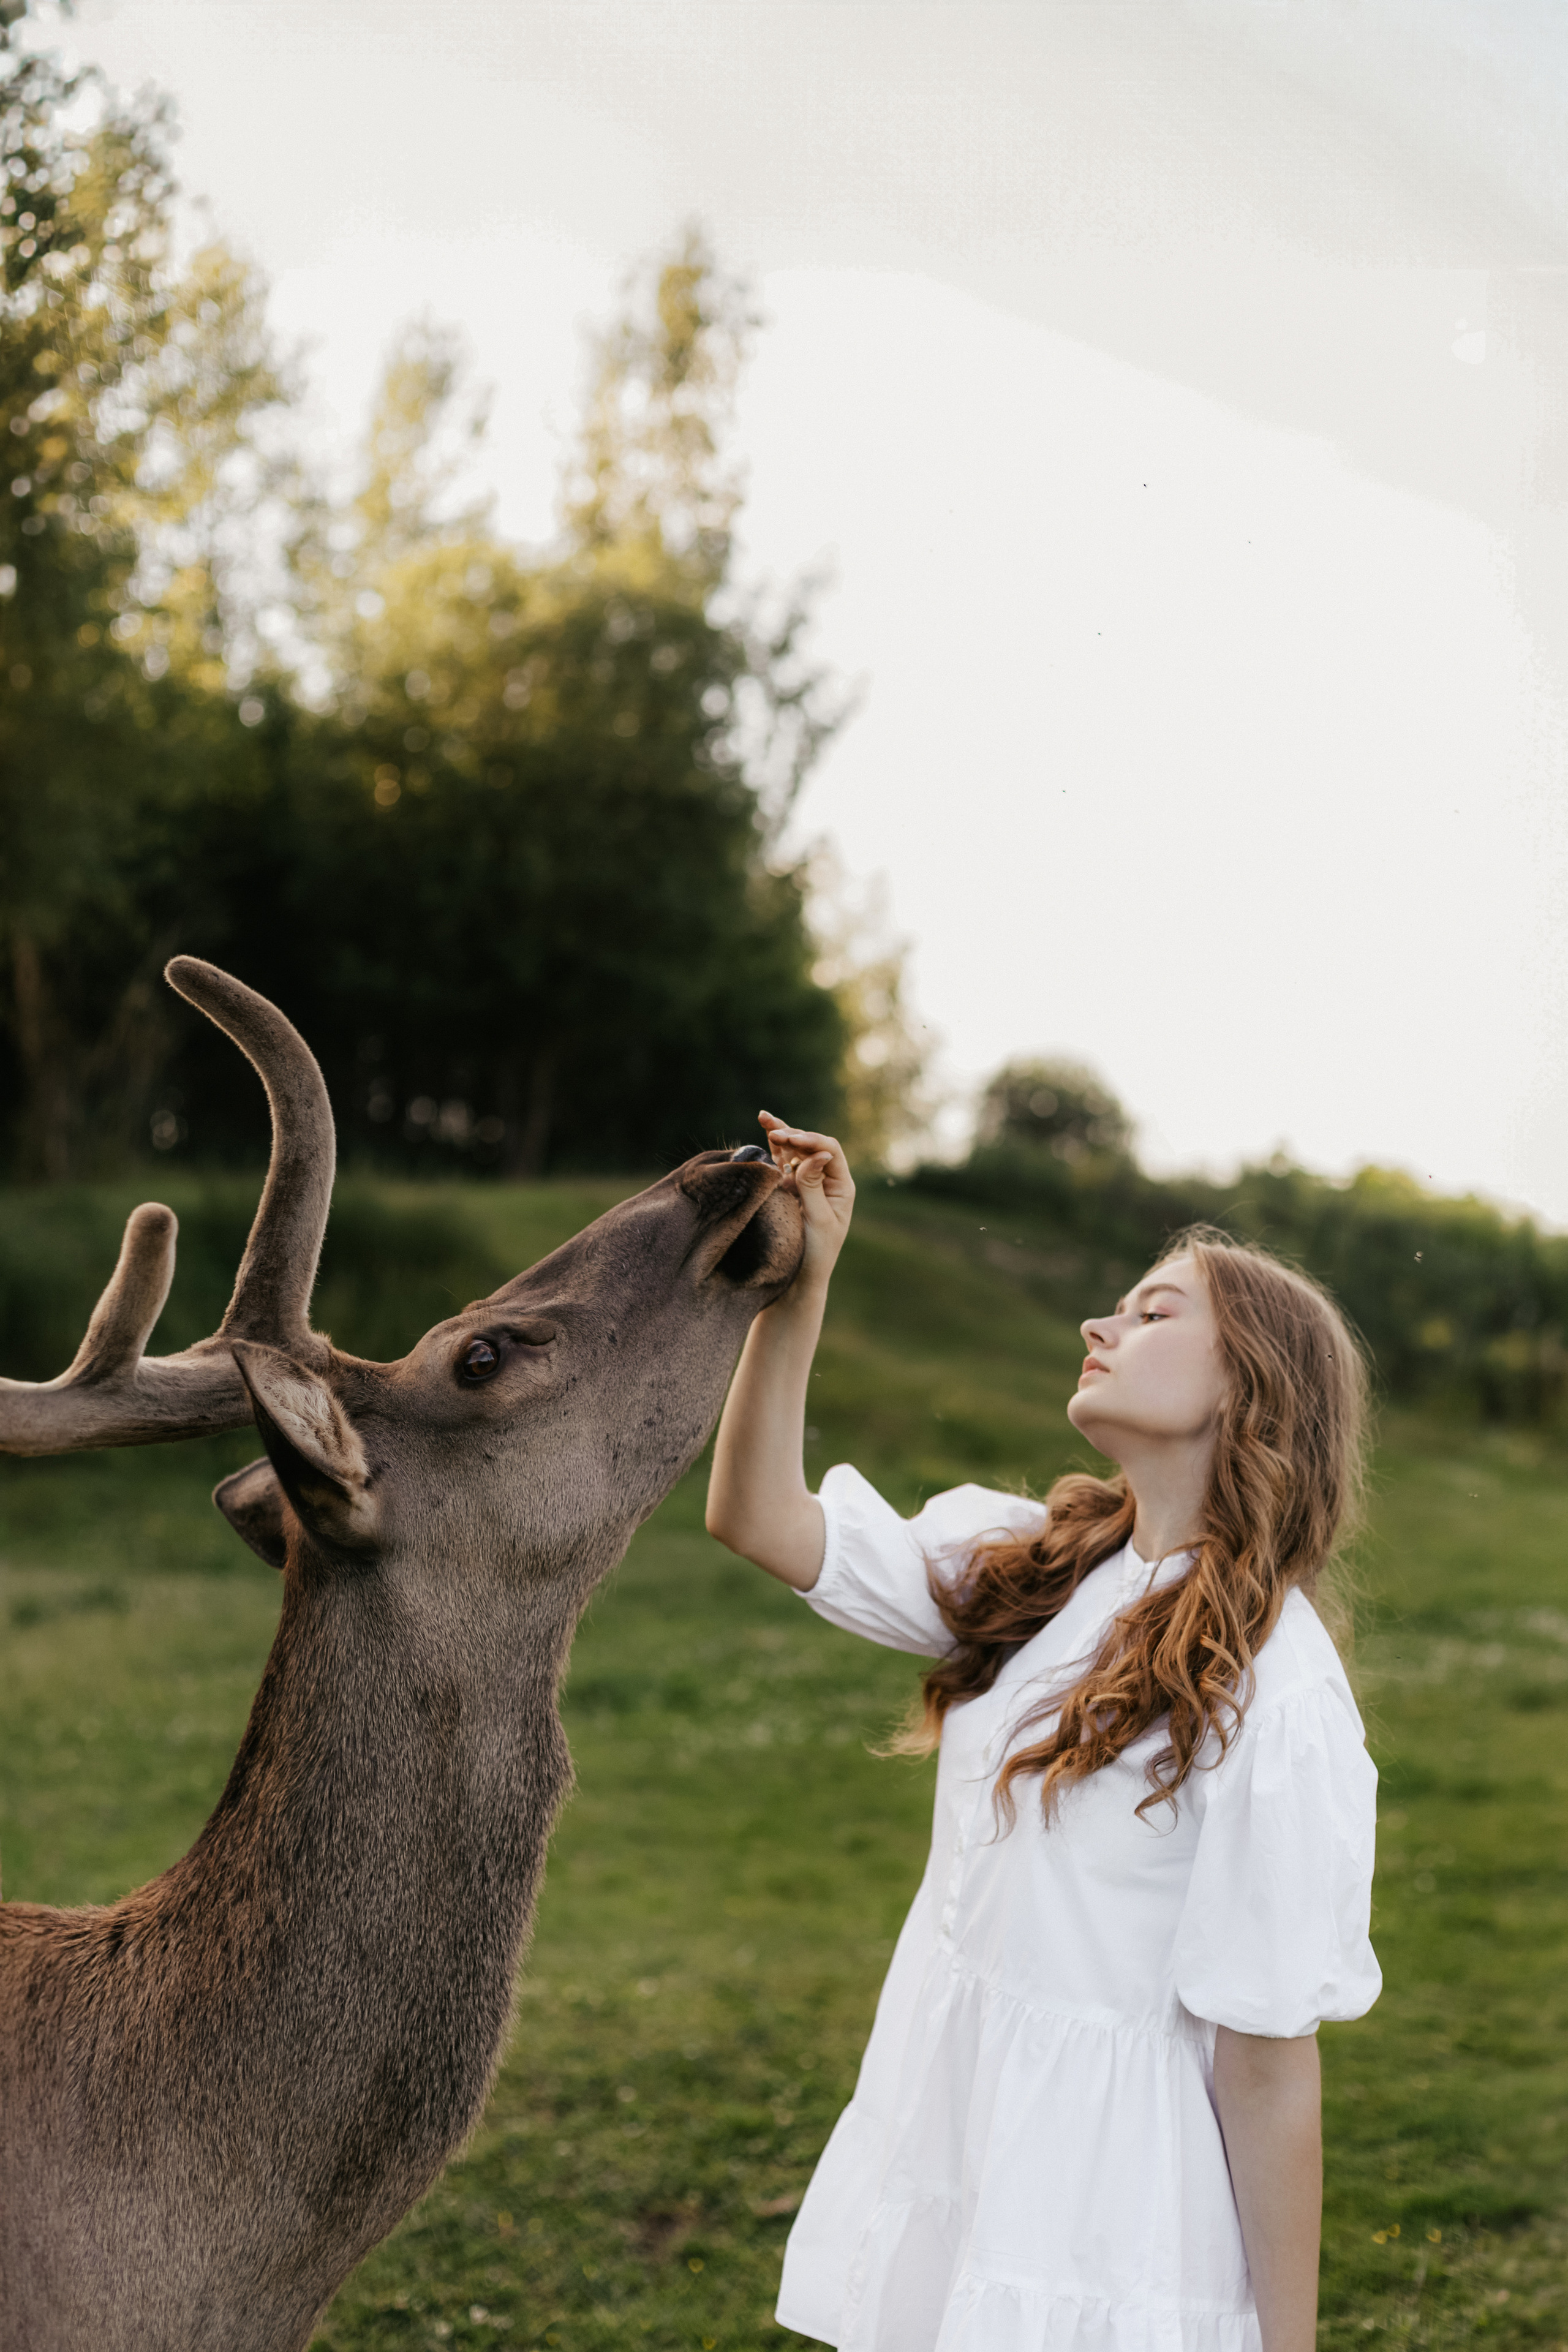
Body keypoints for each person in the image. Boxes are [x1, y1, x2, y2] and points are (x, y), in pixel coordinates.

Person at [706, 1115, 1381, 2352]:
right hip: (961, 2135)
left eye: (1152, 1312)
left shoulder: (1272, 1689)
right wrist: (798, 1291)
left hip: (1109, 2223)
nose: (1099, 1326)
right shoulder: (1037, 1566)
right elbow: (757, 1516)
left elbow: (1268, 2060)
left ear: (1247, 1384)